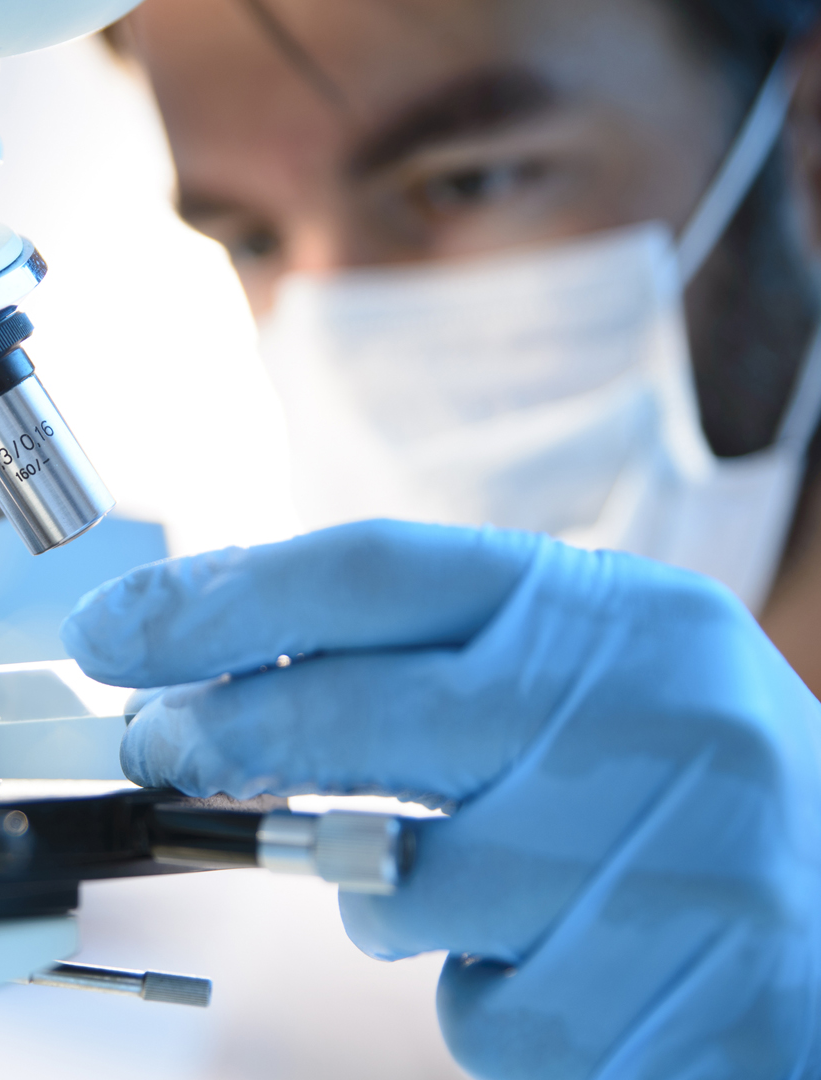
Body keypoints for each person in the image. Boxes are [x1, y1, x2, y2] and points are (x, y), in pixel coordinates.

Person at [62, 1, 821, 1075]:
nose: (333, 333)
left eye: (465, 180)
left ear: (809, 132)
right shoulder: (318, 955)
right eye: (254, 237)